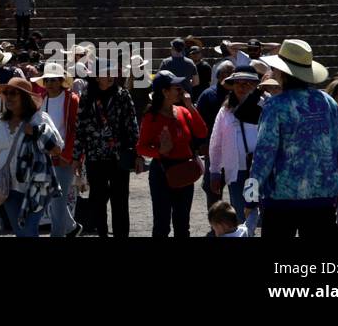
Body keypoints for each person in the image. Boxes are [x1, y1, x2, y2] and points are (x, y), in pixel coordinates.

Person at [248, 39, 338, 238]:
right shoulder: (327, 102)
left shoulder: (275, 106)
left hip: (280, 202)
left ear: (282, 72)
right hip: (323, 200)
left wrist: (249, 196)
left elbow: (263, 156)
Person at [0, 76, 63, 236]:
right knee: (20, 231)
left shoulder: (40, 119)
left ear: (24, 97)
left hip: (37, 186)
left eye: (13, 93)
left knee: (28, 231)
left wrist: (36, 132)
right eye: (6, 93)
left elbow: (57, 149)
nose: (8, 97)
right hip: (8, 187)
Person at [137, 71, 208, 237]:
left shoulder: (183, 111)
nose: (181, 90)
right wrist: (159, 151)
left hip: (184, 172)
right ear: (164, 91)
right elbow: (141, 147)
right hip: (162, 173)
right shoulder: (151, 117)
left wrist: (190, 106)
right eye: (176, 87)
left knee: (183, 225)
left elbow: (202, 132)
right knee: (162, 225)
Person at [74, 62, 141, 237]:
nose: (110, 76)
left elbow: (132, 125)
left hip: (118, 156)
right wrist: (76, 156)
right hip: (95, 156)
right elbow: (79, 127)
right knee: (98, 200)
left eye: (112, 72)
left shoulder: (122, 95)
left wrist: (137, 153)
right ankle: (102, 233)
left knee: (120, 200)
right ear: (97, 77)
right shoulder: (87, 97)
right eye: (106, 73)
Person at [207, 66, 260, 221]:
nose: (241, 87)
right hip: (237, 170)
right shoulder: (226, 110)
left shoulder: (265, 104)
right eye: (238, 83)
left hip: (257, 170)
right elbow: (216, 141)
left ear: (255, 85)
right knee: (241, 212)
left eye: (247, 83)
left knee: (255, 212)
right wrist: (215, 171)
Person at [40, 61, 81, 236]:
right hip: (45, 157)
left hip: (64, 157)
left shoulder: (72, 100)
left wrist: (68, 155)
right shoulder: (42, 100)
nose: (50, 83)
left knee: (57, 200)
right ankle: (72, 227)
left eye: (54, 80)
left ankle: (58, 234)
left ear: (61, 81)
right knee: (54, 199)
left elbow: (75, 129)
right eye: (47, 80)